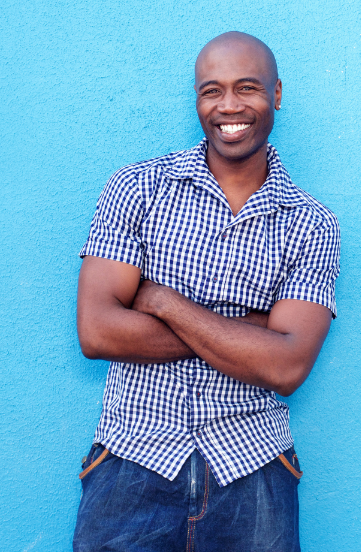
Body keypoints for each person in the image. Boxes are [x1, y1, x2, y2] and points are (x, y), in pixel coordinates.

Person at [72, 31, 340, 552]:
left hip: (255, 468)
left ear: (277, 94)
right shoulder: (138, 189)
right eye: (211, 91)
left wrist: (163, 302)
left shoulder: (311, 223)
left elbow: (285, 368)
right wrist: (254, 332)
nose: (229, 106)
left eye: (247, 88)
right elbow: (98, 331)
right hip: (132, 460)